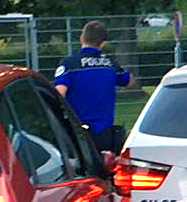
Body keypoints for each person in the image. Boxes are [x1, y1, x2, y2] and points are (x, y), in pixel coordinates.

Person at [53, 19, 138, 152]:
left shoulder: (69, 64)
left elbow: (60, 93)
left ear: (82, 38)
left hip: (77, 133)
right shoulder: (110, 64)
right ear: (103, 43)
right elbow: (129, 81)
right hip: (104, 134)